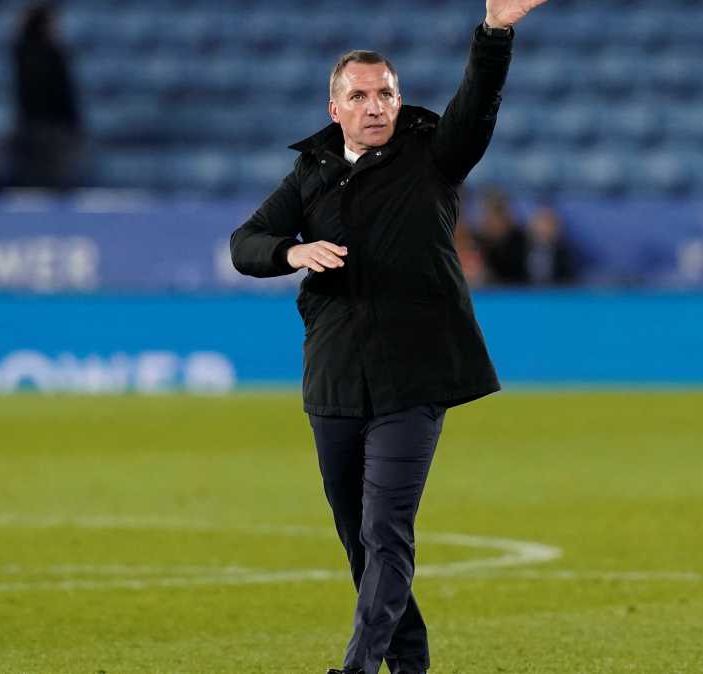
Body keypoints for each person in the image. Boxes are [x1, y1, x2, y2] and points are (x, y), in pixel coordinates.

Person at [228, 1, 549, 672]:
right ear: (335, 106)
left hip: (415, 373)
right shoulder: (310, 175)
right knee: (357, 538)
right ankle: (410, 662)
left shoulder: (431, 155)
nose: (376, 106)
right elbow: (245, 243)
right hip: (336, 376)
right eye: (360, 95)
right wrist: (292, 252)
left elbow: (477, 108)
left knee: (385, 530)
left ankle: (358, 667)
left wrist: (494, 35)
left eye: (386, 94)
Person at [12, 3, 81, 189]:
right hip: (40, 122)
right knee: (39, 177)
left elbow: (65, 90)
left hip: (52, 122)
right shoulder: (27, 51)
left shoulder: (48, 51)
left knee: (54, 177)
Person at [526, 205, 577, 285]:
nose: (544, 228)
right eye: (540, 223)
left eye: (549, 224)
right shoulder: (519, 249)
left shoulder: (566, 253)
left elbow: (568, 281)